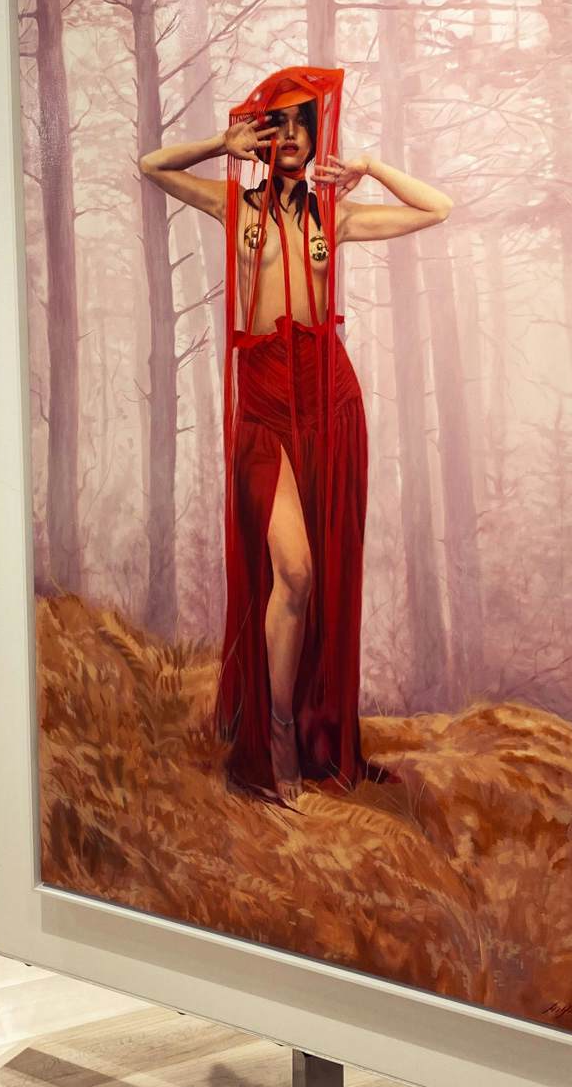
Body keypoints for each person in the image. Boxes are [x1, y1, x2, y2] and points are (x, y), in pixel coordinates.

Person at [140, 67, 452, 804]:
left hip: (328, 396)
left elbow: (437, 207)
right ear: (260, 135)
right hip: (265, 398)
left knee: (323, 570)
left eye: (299, 126)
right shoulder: (234, 206)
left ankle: (311, 732)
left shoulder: (331, 216)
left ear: (314, 139)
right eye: (275, 125)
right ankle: (275, 733)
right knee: (295, 571)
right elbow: (151, 166)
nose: (287, 137)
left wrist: (368, 165)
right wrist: (219, 144)